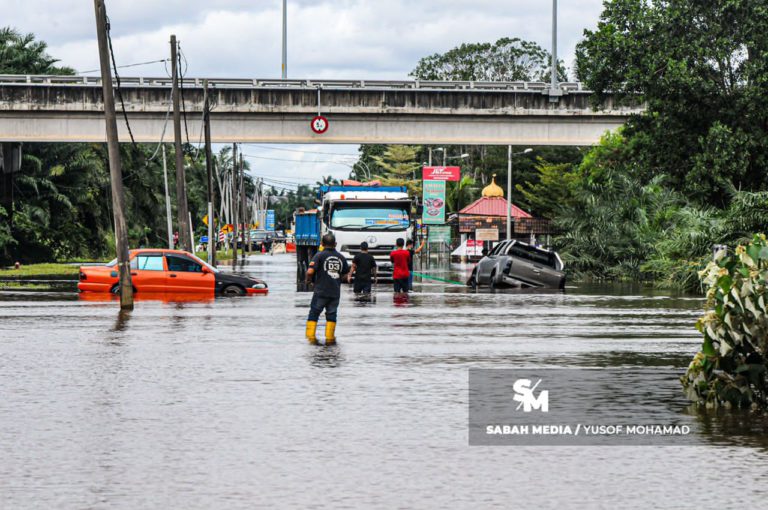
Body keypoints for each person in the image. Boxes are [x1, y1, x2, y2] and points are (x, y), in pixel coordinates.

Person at [305, 233, 349, 345]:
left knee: (314, 313)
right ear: (335, 244)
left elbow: (310, 271)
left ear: (322, 243)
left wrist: (308, 281)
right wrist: (337, 279)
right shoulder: (341, 257)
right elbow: (345, 275)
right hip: (335, 293)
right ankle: (330, 339)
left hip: (321, 291)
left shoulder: (319, 255)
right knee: (332, 315)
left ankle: (310, 339)